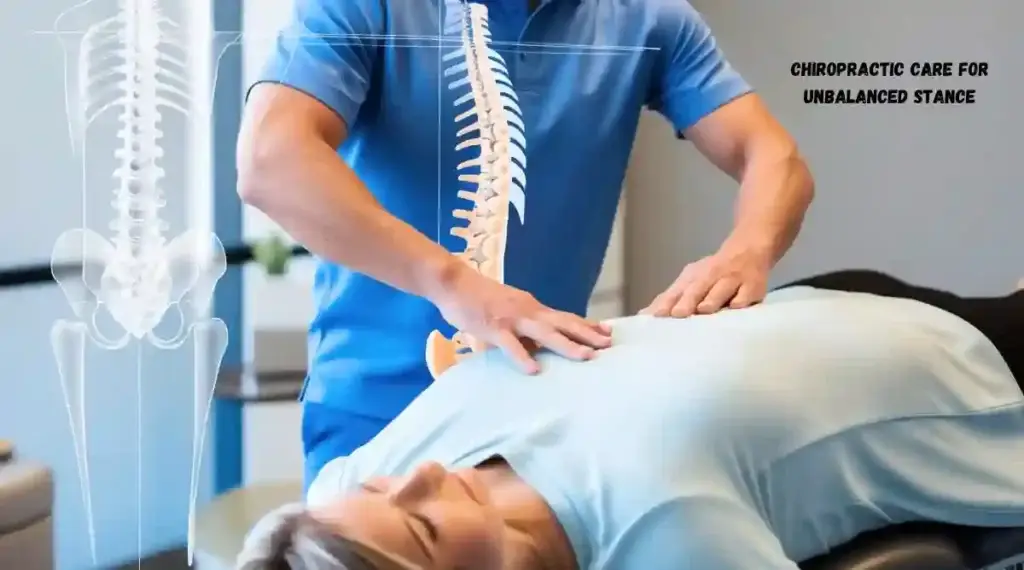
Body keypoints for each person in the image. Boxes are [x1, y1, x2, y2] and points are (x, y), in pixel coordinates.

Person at [235, 0, 815, 488]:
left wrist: (749, 248)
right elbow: (269, 158)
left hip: (539, 422)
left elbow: (773, 156)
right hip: (374, 420)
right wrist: (458, 285)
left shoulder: (648, 20)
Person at [236, 270, 1024, 569]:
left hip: (810, 296)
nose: (426, 478)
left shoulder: (339, 505)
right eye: (426, 530)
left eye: (389, 488)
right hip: (971, 379)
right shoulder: (664, 534)